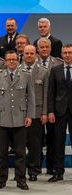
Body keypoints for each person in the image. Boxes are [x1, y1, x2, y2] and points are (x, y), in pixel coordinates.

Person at [0, 50, 35, 190]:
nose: (11, 62)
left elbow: (32, 98)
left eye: (14, 59)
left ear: (18, 60)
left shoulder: (26, 75)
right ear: (5, 60)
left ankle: (21, 179)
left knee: (20, 153)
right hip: (3, 119)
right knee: (2, 153)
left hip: (20, 118)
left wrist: (29, 115)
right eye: (9, 59)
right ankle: (1, 179)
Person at [19, 45, 48, 181]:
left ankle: (34, 171)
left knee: (35, 145)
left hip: (36, 114)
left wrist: (45, 113)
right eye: (27, 53)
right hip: (19, 113)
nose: (29, 55)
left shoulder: (44, 72)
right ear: (23, 55)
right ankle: (20, 172)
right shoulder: (16, 70)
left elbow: (46, 94)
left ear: (36, 54)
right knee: (19, 145)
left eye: (32, 53)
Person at [37, 37, 63, 175]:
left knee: (53, 138)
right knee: (37, 140)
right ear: (38, 49)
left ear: (51, 48)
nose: (45, 49)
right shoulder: (30, 63)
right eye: (42, 47)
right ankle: (35, 167)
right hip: (37, 108)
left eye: (47, 46)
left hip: (54, 108)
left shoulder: (58, 63)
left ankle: (51, 166)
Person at [48, 44, 72, 182]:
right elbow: (51, 92)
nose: (67, 55)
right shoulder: (55, 70)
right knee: (59, 143)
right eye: (65, 53)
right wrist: (50, 111)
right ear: (62, 54)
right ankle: (58, 172)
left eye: (70, 52)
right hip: (59, 111)